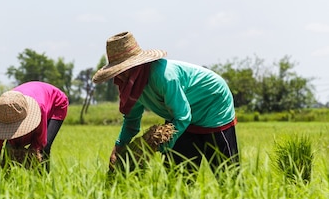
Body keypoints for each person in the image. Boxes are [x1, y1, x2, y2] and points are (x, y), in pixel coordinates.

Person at [92, 31, 239, 173]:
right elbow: (131, 121)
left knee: (227, 174)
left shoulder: (164, 76)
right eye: (118, 71)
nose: (121, 75)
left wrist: (156, 146)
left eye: (124, 69)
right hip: (179, 112)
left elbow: (183, 116)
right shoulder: (130, 85)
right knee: (177, 179)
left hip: (212, 103)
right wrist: (118, 148)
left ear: (136, 65)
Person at [0, 81, 69, 171]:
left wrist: (29, 158)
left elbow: (40, 141)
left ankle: (43, 180)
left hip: (56, 103)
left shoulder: (39, 108)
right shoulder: (4, 109)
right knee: (11, 147)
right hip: (28, 99)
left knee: (44, 149)